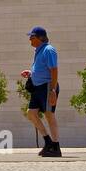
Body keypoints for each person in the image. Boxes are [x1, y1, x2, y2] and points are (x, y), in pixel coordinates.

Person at [21, 25, 61, 157]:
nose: (30, 40)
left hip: (47, 86)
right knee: (31, 113)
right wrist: (31, 73)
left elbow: (54, 70)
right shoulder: (39, 50)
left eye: (32, 37)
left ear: (40, 38)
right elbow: (42, 69)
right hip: (37, 87)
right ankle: (48, 142)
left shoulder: (49, 50)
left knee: (49, 115)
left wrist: (53, 90)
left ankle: (55, 147)